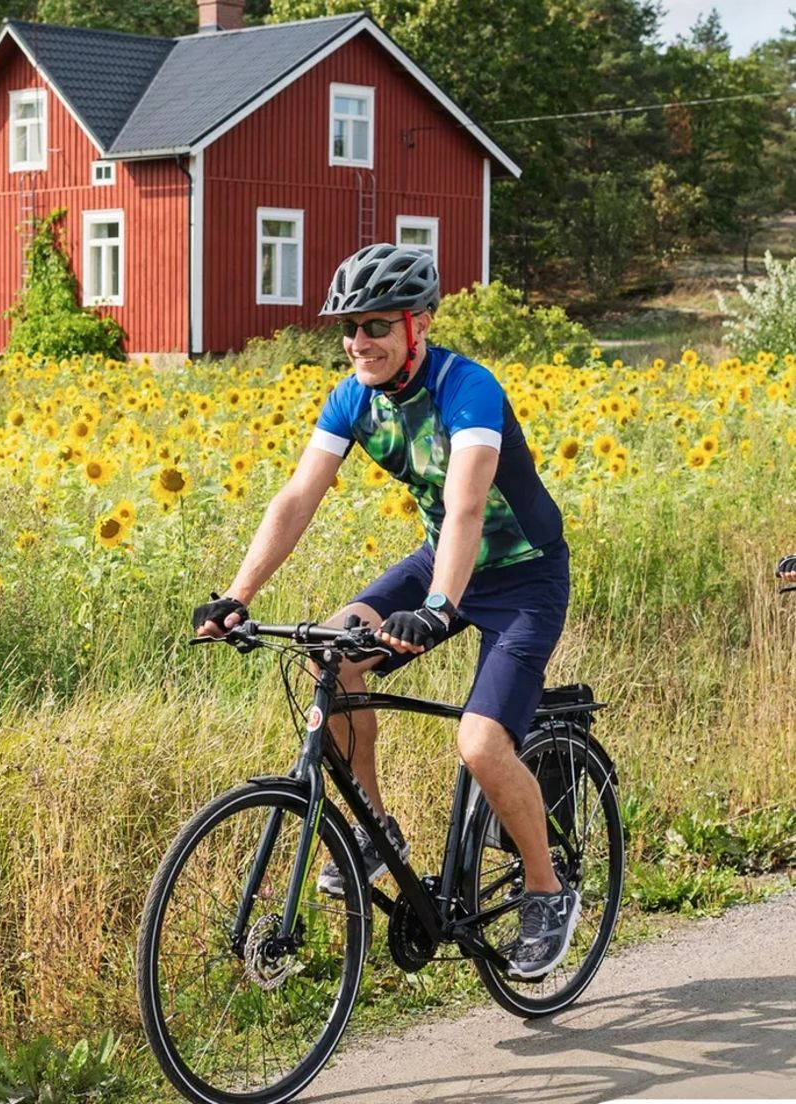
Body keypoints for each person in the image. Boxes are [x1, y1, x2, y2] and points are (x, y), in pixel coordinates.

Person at [193, 243, 578, 979]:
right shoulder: (355, 398)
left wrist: (438, 608)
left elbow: (467, 506)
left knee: (481, 743)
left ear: (418, 324)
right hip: (443, 563)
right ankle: (374, 833)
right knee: (333, 651)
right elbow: (297, 498)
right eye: (349, 327)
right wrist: (238, 595)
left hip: (524, 578)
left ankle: (545, 890)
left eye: (375, 325)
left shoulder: (468, 389)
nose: (359, 342)